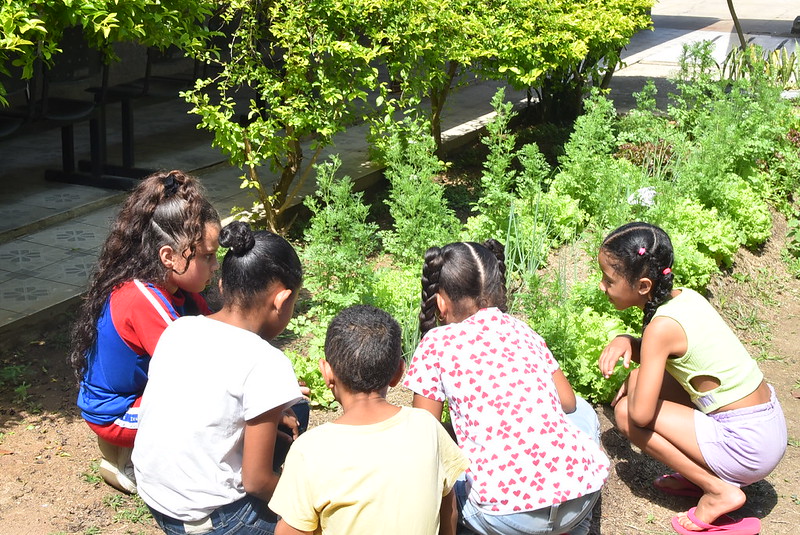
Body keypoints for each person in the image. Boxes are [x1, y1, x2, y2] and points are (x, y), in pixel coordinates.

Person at [404, 240, 609, 535]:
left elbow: (425, 432)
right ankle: (571, 523)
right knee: (585, 412)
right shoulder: (520, 328)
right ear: (495, 289)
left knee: (439, 464)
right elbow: (567, 402)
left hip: (503, 516)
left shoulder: (436, 342)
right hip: (579, 500)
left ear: (440, 302)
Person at [597, 222, 787, 535]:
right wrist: (628, 341)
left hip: (748, 447)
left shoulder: (660, 328)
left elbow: (641, 414)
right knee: (647, 385)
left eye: (609, 279)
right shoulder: (686, 298)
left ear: (643, 286)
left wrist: (634, 375)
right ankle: (701, 471)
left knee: (626, 413)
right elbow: (671, 353)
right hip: (766, 430)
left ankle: (717, 490)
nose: (602, 286)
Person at [132, 221, 307, 534]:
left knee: (295, 410)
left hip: (158, 498)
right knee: (304, 520)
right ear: (281, 301)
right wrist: (302, 504)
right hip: (213, 519)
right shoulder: (266, 361)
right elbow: (257, 482)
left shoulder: (179, 328)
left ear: (224, 286)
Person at [68, 170, 221, 493]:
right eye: (208, 256)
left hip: (134, 398)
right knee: (212, 408)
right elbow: (201, 366)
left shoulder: (172, 287)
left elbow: (220, 336)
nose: (215, 265)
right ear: (169, 256)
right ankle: (128, 459)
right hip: (117, 414)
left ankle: (129, 453)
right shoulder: (142, 299)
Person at [269, 305, 469, 535]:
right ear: (398, 373)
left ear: (326, 373)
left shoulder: (309, 450)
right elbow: (448, 507)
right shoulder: (428, 427)